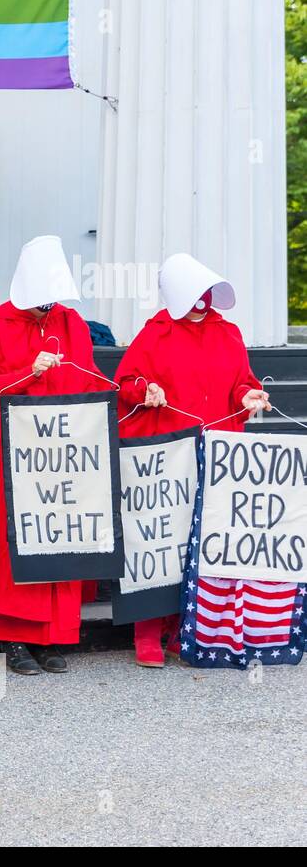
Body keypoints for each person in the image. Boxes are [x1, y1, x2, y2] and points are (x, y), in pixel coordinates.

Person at [114, 253, 269, 667]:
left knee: (203, 540)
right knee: (161, 536)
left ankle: (187, 627)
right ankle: (147, 631)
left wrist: (248, 395)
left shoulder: (229, 333)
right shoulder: (155, 334)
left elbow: (242, 383)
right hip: (167, 451)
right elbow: (125, 383)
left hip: (216, 450)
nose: (204, 300)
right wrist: (146, 389)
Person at [0, 235, 108, 675]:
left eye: (52, 301)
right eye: (40, 300)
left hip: (61, 451)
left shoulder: (73, 323)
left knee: (58, 535)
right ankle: (12, 637)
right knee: (14, 543)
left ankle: (53, 637)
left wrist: (128, 393)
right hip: (12, 450)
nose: (47, 308)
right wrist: (27, 373)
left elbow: (90, 378)